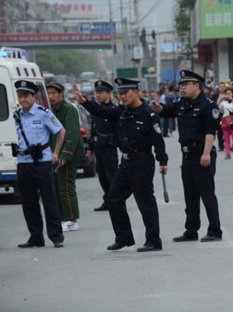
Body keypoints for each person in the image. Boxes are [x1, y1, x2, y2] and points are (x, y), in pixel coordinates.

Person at [72, 78, 168, 252]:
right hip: (125, 163)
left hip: (142, 163)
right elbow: (101, 111)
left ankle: (153, 240)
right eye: (120, 93)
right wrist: (85, 101)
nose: (121, 96)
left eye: (125, 93)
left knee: (145, 203)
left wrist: (163, 161)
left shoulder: (148, 113)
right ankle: (123, 237)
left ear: (136, 92)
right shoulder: (121, 111)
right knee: (113, 199)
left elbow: (158, 140)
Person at [150, 70, 223, 243]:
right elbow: (168, 111)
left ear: (196, 85)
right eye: (181, 85)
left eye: (185, 85)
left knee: (207, 194)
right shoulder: (182, 102)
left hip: (201, 153)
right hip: (187, 155)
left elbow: (210, 132)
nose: (182, 88)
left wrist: (206, 153)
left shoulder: (208, 105)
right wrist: (158, 107)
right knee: (190, 196)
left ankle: (215, 230)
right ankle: (191, 229)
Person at [13, 80, 66, 248]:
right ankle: (36, 237)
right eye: (20, 97)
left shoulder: (43, 113)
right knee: (29, 203)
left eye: (26, 96)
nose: (23, 100)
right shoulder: (17, 116)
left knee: (49, 201)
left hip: (42, 163)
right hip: (23, 163)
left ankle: (56, 237)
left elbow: (61, 131)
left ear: (34, 97)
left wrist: (55, 152)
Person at [46, 82, 86, 232]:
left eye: (54, 93)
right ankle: (64, 218)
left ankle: (71, 219)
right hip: (57, 153)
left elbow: (72, 134)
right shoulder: (53, 110)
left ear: (61, 94)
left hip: (69, 154)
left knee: (66, 187)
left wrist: (65, 155)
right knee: (58, 186)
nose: (51, 96)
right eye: (49, 93)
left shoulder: (68, 109)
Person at [90, 80, 119, 212]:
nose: (98, 95)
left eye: (101, 92)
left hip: (109, 147)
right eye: (97, 92)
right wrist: (90, 148)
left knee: (111, 176)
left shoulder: (114, 110)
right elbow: (93, 130)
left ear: (108, 93)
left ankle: (115, 200)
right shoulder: (96, 111)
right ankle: (107, 200)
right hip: (98, 147)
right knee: (102, 177)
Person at [218, 87, 233, 159]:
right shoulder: (223, 103)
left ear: (232, 93)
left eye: (229, 93)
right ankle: (228, 154)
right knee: (226, 139)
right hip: (225, 122)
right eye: (227, 93)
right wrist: (221, 99)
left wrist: (232, 100)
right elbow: (219, 110)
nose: (228, 95)